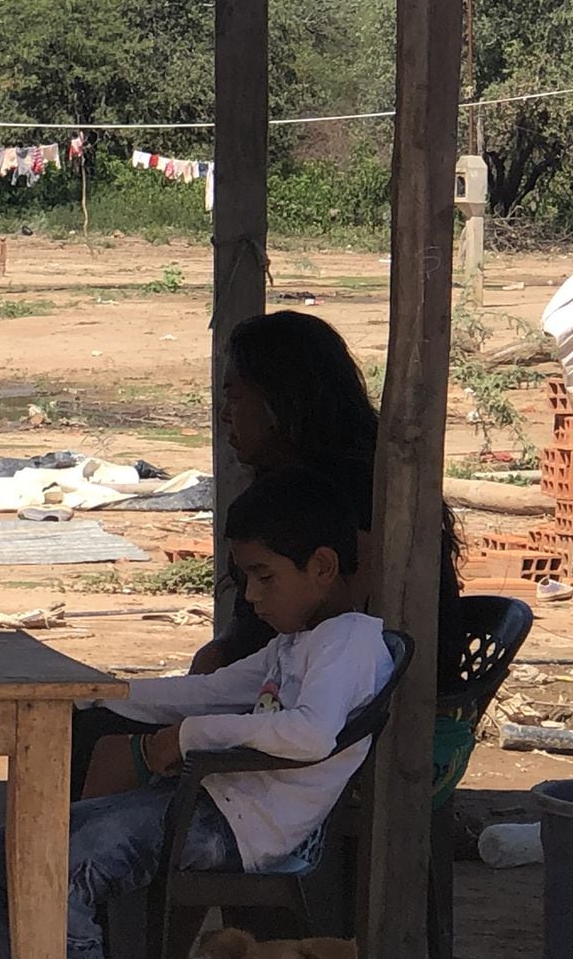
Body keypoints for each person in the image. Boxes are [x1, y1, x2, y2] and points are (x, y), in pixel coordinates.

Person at [0, 469, 395, 959]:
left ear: (321, 567)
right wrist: (89, 693)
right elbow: (206, 691)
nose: (251, 597)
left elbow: (309, 732)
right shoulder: (296, 645)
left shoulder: (351, 642)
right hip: (209, 805)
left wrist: (183, 739)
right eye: (244, 580)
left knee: (59, 869)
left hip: (237, 827)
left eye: (263, 577)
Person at [73, 310, 462, 798]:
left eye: (235, 397)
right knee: (95, 716)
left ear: (282, 399)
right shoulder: (306, 485)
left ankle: (77, 859)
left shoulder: (352, 498)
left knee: (90, 738)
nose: (224, 415)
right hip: (270, 690)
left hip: (341, 715)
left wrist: (201, 707)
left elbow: (334, 629)